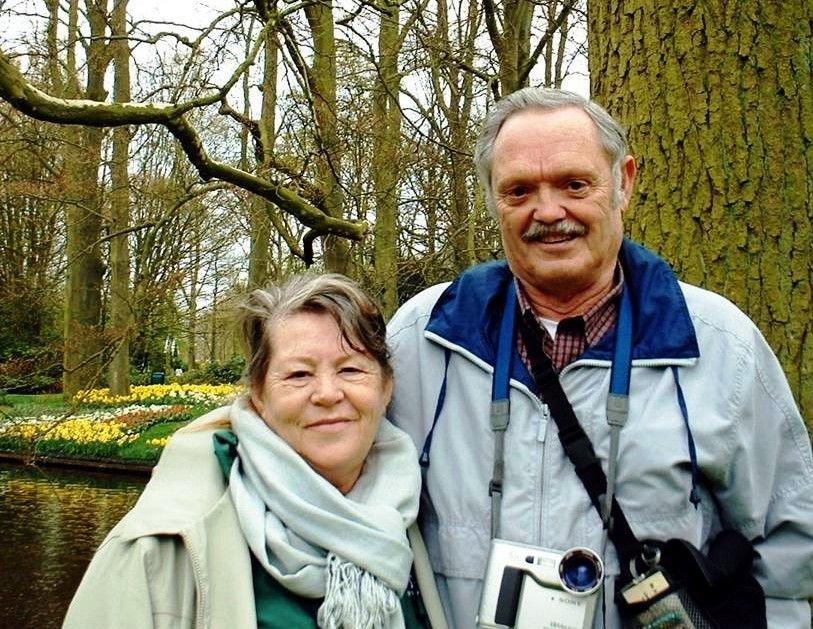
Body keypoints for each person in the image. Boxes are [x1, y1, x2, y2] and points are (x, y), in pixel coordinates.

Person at [387, 87, 813, 628]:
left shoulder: (720, 346)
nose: (548, 211)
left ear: (623, 183)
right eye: (519, 190)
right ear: (493, 199)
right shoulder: (424, 340)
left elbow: (788, 549)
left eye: (574, 184)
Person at [64, 273, 448, 629]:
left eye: (350, 370)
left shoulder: (414, 515)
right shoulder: (162, 546)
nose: (328, 394)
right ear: (258, 396)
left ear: (385, 388)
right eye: (299, 374)